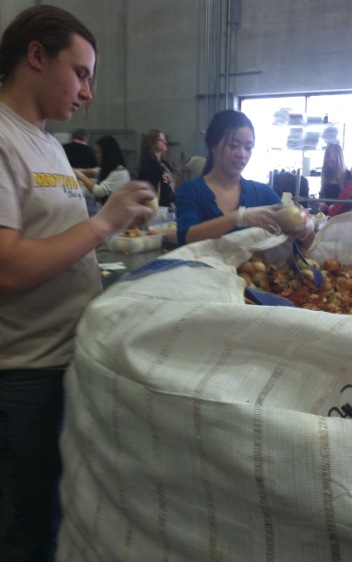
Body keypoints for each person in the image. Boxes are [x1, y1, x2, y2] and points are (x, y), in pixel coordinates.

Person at [0, 6, 156, 561]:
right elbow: (9, 266)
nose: (88, 92)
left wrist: (109, 214)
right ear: (37, 56)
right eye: (82, 72)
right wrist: (103, 223)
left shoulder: (44, 141)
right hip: (21, 376)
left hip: (62, 360)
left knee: (53, 513)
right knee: (25, 527)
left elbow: (55, 234)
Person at [175, 109, 314, 247]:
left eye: (248, 147)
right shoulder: (190, 191)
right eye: (233, 145)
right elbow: (187, 238)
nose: (242, 154)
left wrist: (306, 226)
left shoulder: (263, 193)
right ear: (213, 145)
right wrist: (239, 217)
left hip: (254, 269)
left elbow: (299, 240)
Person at [73, 135, 131, 205]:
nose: (97, 156)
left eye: (99, 152)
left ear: (107, 154)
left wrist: (80, 176)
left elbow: (98, 191)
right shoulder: (111, 169)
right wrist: (76, 171)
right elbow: (94, 172)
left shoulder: (120, 173)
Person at [137, 129, 175, 207]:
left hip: (167, 207)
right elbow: (151, 192)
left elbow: (168, 188)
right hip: (158, 209)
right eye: (160, 139)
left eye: (164, 139)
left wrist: (173, 201)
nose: (164, 142)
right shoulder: (149, 166)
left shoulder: (164, 164)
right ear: (151, 143)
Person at [318, 143, 352, 216]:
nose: (330, 165)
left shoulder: (348, 176)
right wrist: (320, 203)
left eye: (333, 161)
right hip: (327, 216)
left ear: (340, 160)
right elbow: (321, 195)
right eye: (328, 162)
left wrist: (336, 207)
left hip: (342, 217)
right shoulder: (327, 175)